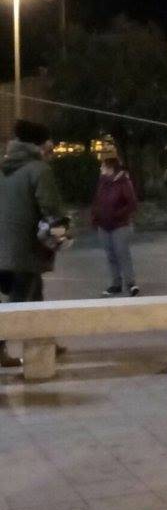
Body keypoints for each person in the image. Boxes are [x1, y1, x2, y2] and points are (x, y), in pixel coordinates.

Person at [0, 120, 64, 367]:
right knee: (17, 301)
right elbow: (51, 208)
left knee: (34, 293)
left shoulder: (4, 167)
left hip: (4, 247)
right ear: (40, 143)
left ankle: (44, 340)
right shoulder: (39, 169)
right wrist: (61, 231)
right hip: (24, 248)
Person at [91, 157, 140, 296]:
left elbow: (132, 204)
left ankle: (131, 284)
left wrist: (117, 215)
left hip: (120, 225)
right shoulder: (102, 183)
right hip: (104, 225)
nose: (101, 169)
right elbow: (97, 201)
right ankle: (115, 284)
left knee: (122, 253)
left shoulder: (124, 183)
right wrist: (95, 217)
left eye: (103, 167)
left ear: (110, 168)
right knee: (110, 255)